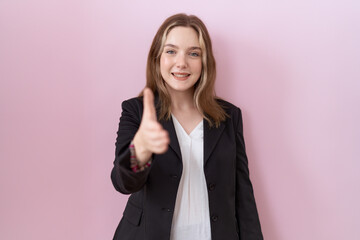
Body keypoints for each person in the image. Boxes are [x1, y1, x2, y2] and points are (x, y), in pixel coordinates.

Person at [111, 13, 263, 240]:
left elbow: (243, 194)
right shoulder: (137, 111)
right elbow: (123, 183)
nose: (181, 63)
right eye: (171, 51)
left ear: (204, 62)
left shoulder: (230, 116)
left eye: (193, 53)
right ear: (157, 58)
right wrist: (140, 150)